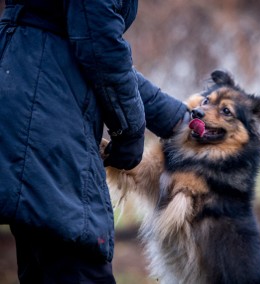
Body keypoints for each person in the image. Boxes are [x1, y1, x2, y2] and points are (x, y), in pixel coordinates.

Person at [0, 0, 188, 283]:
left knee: (44, 261)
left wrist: (177, 117)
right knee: (77, 258)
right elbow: (99, 46)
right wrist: (129, 136)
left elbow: (85, 49)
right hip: (44, 113)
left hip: (26, 91)